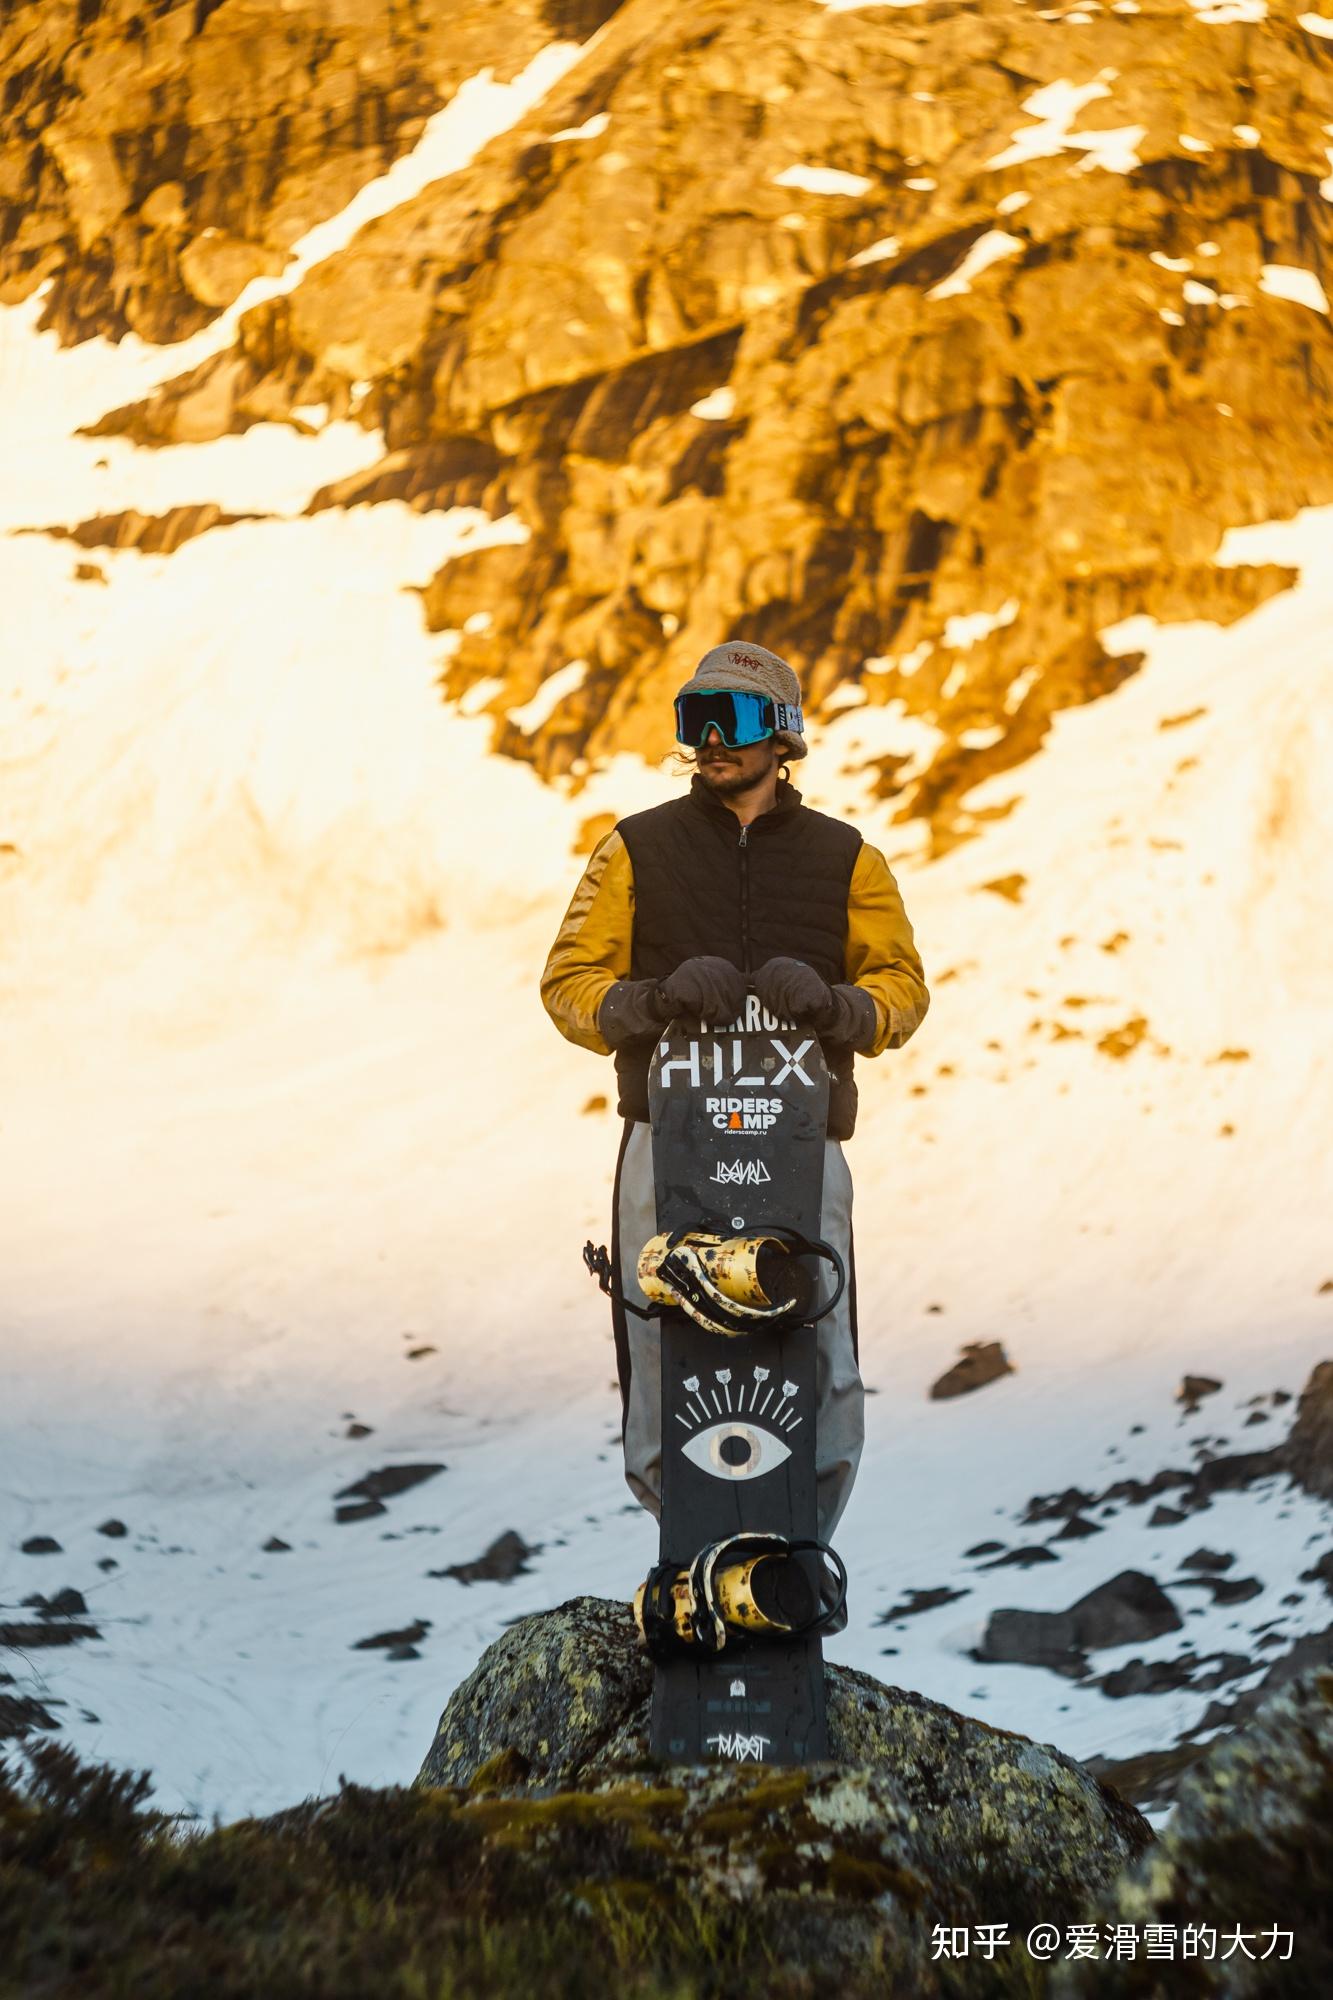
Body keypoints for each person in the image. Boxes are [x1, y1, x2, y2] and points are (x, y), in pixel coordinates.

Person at [541, 639, 929, 1544]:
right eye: (694, 720)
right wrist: (650, 1002)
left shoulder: (846, 859)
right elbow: (568, 986)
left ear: (783, 732)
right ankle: (686, 1534)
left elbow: (901, 992)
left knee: (817, 1329)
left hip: (799, 1143)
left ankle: (797, 1545)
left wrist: (836, 1007)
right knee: (655, 1325)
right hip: (666, 1134)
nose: (711, 739)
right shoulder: (635, 849)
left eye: (737, 719)